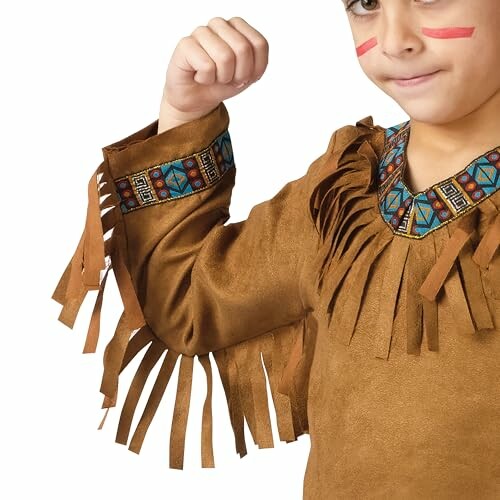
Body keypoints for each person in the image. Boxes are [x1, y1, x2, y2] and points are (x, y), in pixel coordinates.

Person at [52, 3, 500, 498]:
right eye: (366, 4)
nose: (395, 41)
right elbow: (187, 304)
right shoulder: (344, 193)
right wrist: (185, 115)